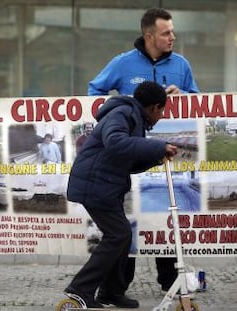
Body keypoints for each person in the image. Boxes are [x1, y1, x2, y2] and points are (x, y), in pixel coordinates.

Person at [87, 7, 199, 293]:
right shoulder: (122, 63)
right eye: (166, 33)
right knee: (132, 215)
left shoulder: (182, 65)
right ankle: (120, 285)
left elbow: (200, 101)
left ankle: (170, 280)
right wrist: (122, 107)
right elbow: (93, 93)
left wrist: (184, 97)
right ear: (149, 36)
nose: (172, 36)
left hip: (167, 154)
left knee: (165, 212)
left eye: (172, 31)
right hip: (132, 157)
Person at [64, 81, 178, 308]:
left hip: (105, 185)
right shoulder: (123, 113)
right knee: (118, 235)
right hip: (95, 185)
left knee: (122, 236)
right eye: (162, 110)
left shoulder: (133, 118)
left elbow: (128, 161)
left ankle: (110, 292)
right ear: (154, 107)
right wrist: (157, 146)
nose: (161, 115)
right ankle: (80, 289)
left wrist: (155, 158)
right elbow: (115, 143)